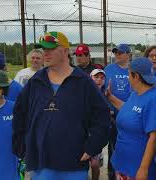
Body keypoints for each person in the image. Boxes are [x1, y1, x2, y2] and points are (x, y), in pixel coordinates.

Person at [12, 31, 110, 180]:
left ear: (65, 51)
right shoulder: (35, 82)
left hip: (74, 164)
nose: (46, 53)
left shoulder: (83, 82)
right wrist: (22, 148)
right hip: (41, 165)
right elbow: (19, 115)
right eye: (44, 49)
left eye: (51, 49)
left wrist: (92, 147)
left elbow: (102, 117)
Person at [106, 57, 156, 180]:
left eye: (129, 74)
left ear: (136, 76)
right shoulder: (136, 94)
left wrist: (143, 169)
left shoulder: (155, 100)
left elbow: (154, 137)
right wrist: (110, 97)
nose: (128, 78)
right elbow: (129, 109)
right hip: (123, 165)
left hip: (137, 169)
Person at [104, 43, 132, 180]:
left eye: (120, 53)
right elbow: (101, 89)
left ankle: (127, 174)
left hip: (131, 116)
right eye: (115, 53)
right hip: (112, 115)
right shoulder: (108, 69)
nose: (117, 55)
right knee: (113, 148)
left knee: (128, 146)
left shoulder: (133, 70)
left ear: (128, 54)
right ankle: (112, 175)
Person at [89, 69, 107, 180]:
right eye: (96, 77)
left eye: (101, 78)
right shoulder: (85, 92)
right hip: (84, 133)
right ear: (90, 78)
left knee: (95, 164)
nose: (99, 80)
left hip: (98, 134)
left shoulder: (106, 94)